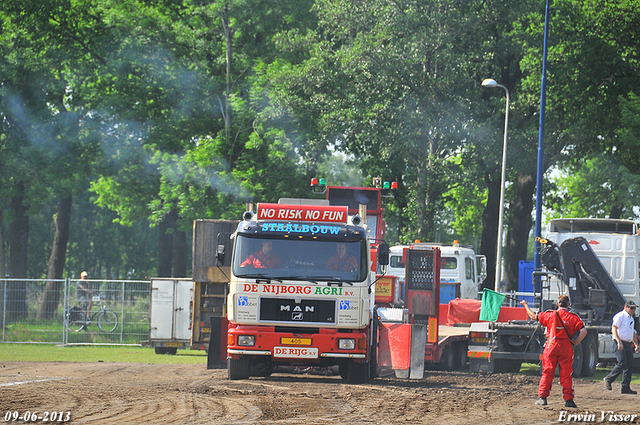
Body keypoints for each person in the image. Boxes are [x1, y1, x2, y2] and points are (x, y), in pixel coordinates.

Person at [520, 295, 587, 408]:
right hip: (566, 346)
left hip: (551, 345)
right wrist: (575, 342)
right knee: (566, 374)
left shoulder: (549, 315)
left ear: (557, 304)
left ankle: (542, 398)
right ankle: (569, 400)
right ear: (568, 305)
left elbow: (533, 316)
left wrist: (525, 305)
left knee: (547, 372)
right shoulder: (573, 317)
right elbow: (584, 331)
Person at [603, 300, 639, 394]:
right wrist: (619, 342)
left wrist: (636, 345)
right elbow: (614, 329)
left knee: (630, 365)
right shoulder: (620, 316)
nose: (633, 310)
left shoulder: (631, 319)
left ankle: (625, 387)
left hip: (627, 343)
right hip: (619, 342)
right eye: (631, 308)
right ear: (626, 308)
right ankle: (609, 379)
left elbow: (633, 333)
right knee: (622, 363)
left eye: (634, 308)